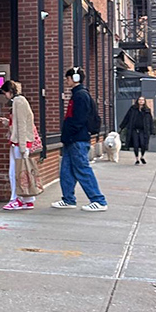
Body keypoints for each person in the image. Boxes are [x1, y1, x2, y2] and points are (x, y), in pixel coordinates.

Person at [51, 68, 108, 212]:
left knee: (82, 170)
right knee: (66, 171)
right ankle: (68, 199)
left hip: (77, 140)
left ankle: (98, 200)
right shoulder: (79, 94)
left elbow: (78, 119)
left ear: (74, 78)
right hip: (73, 140)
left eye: (68, 78)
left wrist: (69, 135)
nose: (67, 81)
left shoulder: (80, 96)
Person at [0, 80, 39, 210]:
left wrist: (22, 146)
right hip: (22, 142)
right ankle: (27, 199)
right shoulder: (21, 101)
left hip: (19, 143)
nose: (5, 96)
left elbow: (21, 125)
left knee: (15, 172)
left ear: (9, 92)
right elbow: (18, 123)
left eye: (5, 93)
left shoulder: (18, 102)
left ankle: (16, 199)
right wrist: (6, 122)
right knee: (22, 171)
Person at [120, 96, 153, 164]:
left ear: (144, 101)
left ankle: (142, 157)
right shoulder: (133, 109)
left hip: (143, 130)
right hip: (134, 130)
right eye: (140, 100)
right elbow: (127, 117)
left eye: (142, 100)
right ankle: (137, 159)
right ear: (137, 101)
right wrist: (122, 126)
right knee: (136, 144)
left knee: (143, 144)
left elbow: (150, 121)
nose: (141, 101)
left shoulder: (147, 110)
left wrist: (151, 130)